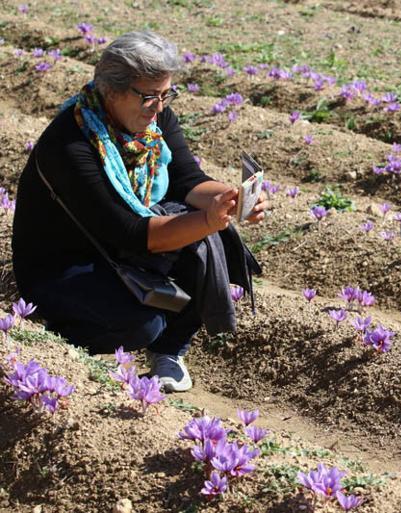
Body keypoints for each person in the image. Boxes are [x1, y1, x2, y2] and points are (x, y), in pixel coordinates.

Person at [11, 31, 268, 392]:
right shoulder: (69, 143)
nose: (159, 107)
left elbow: (186, 179)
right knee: (140, 325)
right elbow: (131, 232)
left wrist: (229, 199)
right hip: (64, 267)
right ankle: (55, 338)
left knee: (216, 240)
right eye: (149, 96)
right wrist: (205, 220)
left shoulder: (154, 122)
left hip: (117, 255)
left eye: (166, 95)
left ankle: (169, 354)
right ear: (111, 90)